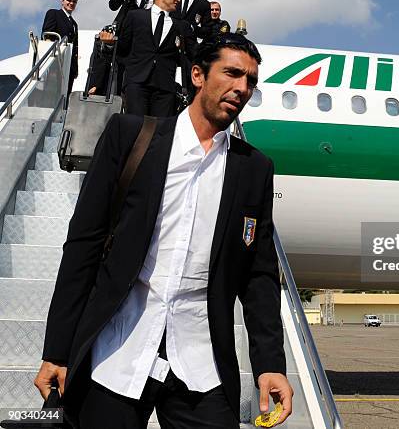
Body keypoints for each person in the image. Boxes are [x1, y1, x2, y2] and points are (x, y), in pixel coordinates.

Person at [34, 33, 294, 428]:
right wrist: (57, 350)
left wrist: (270, 364)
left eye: (251, 81)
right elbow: (83, 246)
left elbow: (259, 275)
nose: (242, 88)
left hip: (200, 360)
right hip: (116, 351)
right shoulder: (131, 136)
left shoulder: (254, 169)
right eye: (232, 73)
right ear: (197, 75)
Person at [97, 0, 195, 117]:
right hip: (137, 82)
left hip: (165, 87)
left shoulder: (181, 26)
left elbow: (192, 54)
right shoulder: (135, 17)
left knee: (159, 132)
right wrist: (109, 44)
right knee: (135, 127)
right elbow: (123, 49)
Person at [42, 0, 80, 95]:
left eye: (74, 1)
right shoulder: (54, 13)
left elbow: (75, 47)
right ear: (62, 1)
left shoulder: (74, 24)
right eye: (68, 0)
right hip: (57, 62)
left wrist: (75, 68)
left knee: (65, 94)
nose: (71, 3)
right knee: (52, 93)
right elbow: (47, 35)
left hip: (69, 65)